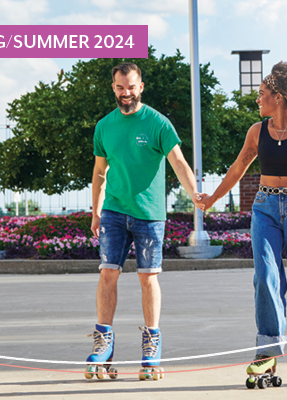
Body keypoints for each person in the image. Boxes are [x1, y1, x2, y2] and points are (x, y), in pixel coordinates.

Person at [196, 61, 287, 386]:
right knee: (266, 277)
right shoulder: (256, 131)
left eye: (262, 94)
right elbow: (237, 168)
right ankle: (267, 351)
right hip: (264, 208)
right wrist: (211, 200)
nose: (258, 100)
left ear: (279, 96)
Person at [86, 62, 201, 381]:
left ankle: (152, 345)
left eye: (132, 87)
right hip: (112, 210)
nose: (127, 94)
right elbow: (99, 171)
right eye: (121, 88)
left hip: (149, 214)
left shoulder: (158, 123)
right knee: (108, 273)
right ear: (113, 88)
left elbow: (178, 162)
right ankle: (104, 343)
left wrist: (194, 194)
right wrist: (95, 210)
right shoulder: (104, 126)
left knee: (147, 278)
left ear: (141, 86)